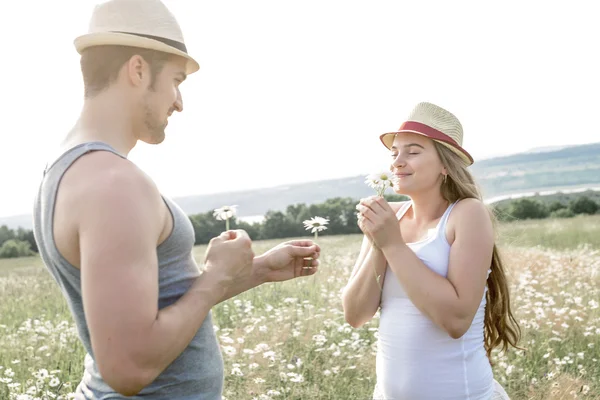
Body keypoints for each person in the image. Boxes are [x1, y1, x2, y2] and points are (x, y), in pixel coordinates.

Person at [32, 1, 320, 399]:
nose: (179, 102)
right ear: (137, 70)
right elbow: (128, 367)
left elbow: (150, 310)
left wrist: (257, 271)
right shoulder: (113, 183)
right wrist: (215, 278)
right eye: (176, 80)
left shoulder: (70, 169)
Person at [342, 102, 521, 399]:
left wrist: (392, 244)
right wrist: (378, 241)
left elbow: (456, 321)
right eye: (394, 153)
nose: (397, 162)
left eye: (412, 152)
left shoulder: (467, 214)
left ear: (445, 165)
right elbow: (355, 314)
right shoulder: (390, 217)